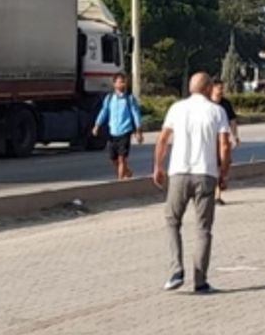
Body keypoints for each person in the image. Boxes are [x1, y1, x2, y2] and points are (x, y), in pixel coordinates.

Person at [153, 72, 232, 294]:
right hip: (206, 175)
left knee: (172, 221)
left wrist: (158, 167)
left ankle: (176, 270)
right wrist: (223, 173)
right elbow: (224, 145)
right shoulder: (217, 111)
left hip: (178, 173)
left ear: (190, 88)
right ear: (208, 89)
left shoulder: (176, 109)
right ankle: (200, 280)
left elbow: (163, 139)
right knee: (203, 228)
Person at [91, 73, 143, 181]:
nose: (123, 84)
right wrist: (97, 125)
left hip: (125, 131)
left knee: (122, 158)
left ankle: (120, 180)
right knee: (113, 158)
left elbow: (136, 114)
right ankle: (126, 171)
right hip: (113, 132)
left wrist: (138, 131)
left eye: (124, 82)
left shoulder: (129, 99)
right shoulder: (109, 98)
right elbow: (103, 112)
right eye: (120, 82)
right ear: (114, 84)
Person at [209, 79, 239, 205]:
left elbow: (232, 121)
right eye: (219, 88)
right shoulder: (206, 103)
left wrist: (235, 136)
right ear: (212, 89)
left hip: (223, 139)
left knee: (222, 165)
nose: (221, 91)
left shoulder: (226, 104)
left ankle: (217, 195)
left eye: (222, 88)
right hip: (209, 138)